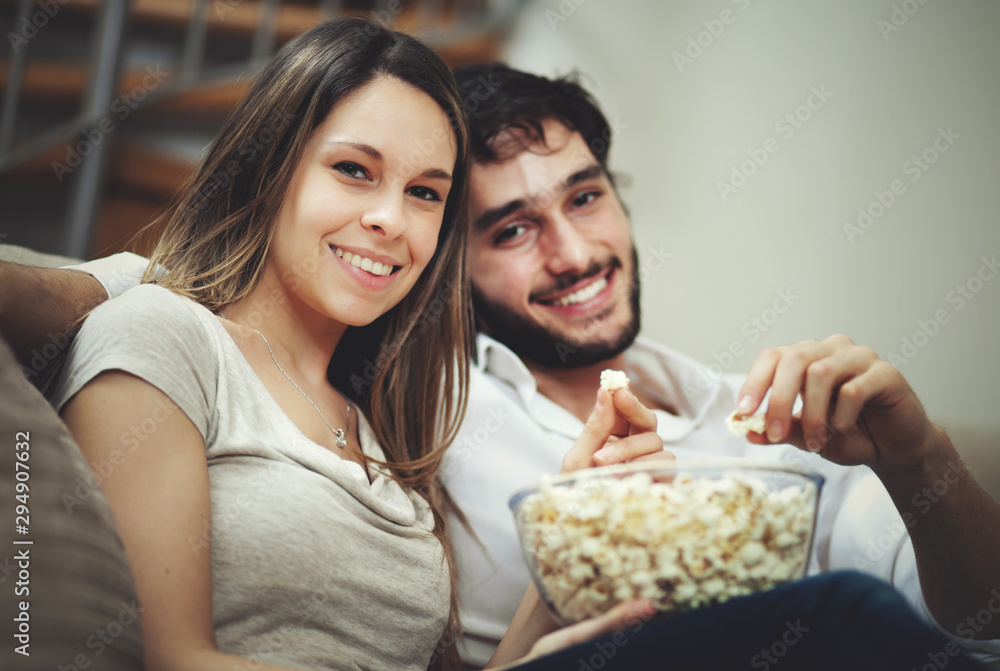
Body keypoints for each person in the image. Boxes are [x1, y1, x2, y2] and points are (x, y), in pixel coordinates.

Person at [2, 58, 999, 669]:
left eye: (585, 196)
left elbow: (980, 631)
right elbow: (187, 301)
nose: (570, 253)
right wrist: (118, 284)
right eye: (511, 226)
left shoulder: (782, 415)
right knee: (841, 615)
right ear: (452, 269)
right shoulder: (425, 405)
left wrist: (917, 459)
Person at [9, 21, 668, 671]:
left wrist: (567, 533)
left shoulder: (379, 419)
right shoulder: (165, 334)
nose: (390, 219)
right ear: (269, 168)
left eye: (424, 193)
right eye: (354, 169)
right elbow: (170, 660)